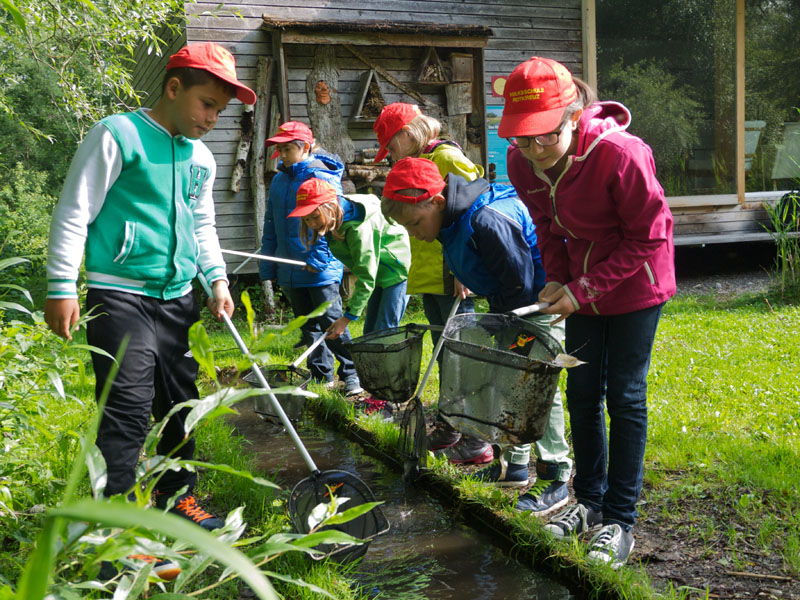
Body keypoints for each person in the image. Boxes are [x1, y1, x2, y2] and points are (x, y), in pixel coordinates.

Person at [43, 42, 255, 533]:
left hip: (178, 298)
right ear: (174, 88)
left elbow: (203, 224)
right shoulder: (118, 136)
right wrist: (61, 285)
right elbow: (75, 210)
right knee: (128, 408)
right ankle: (114, 522)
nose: (212, 119)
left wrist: (217, 279)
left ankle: (176, 496)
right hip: (120, 296)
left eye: (220, 111)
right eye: (206, 104)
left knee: (182, 404)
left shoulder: (201, 157)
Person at [500, 56, 676, 567]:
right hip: (579, 286)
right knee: (580, 390)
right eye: (522, 139)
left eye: (545, 137)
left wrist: (585, 289)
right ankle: (589, 501)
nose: (535, 151)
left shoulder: (620, 154)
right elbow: (545, 224)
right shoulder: (520, 162)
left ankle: (620, 520)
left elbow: (650, 234)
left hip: (636, 284)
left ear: (573, 117)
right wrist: (558, 279)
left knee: (624, 395)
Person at [380, 157, 573, 515]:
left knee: (534, 383)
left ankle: (555, 473)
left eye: (415, 224)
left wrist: (506, 332)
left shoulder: (486, 220)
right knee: (508, 381)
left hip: (538, 302)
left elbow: (521, 283)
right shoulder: (450, 219)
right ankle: (514, 466)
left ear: (437, 201)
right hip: (510, 302)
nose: (414, 233)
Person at [373, 102, 487, 463]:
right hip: (428, 274)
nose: (391, 156)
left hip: (452, 275)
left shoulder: (446, 157)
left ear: (408, 134)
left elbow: (473, 207)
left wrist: (461, 270)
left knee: (462, 355)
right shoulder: (418, 161)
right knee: (444, 355)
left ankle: (476, 437)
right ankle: (452, 424)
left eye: (391, 147)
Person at [260, 121, 362, 396]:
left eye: (287, 149)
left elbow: (333, 221)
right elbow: (271, 224)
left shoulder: (321, 176)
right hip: (290, 267)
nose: (282, 155)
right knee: (307, 326)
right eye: (279, 150)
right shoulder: (279, 181)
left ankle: (352, 375)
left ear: (305, 147)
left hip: (320, 269)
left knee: (332, 322)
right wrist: (268, 264)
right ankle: (321, 376)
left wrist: (318, 258)